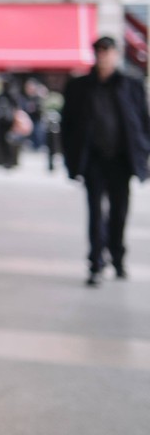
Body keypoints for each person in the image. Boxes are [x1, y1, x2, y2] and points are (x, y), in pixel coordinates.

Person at [60, 36, 150, 287]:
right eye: (99, 51)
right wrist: (71, 158)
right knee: (95, 211)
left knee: (119, 211)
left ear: (116, 54)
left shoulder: (130, 85)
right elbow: (68, 125)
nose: (103, 56)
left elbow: (143, 121)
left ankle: (118, 257)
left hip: (122, 159)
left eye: (107, 51)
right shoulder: (79, 86)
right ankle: (96, 262)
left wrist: (143, 153)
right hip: (94, 159)